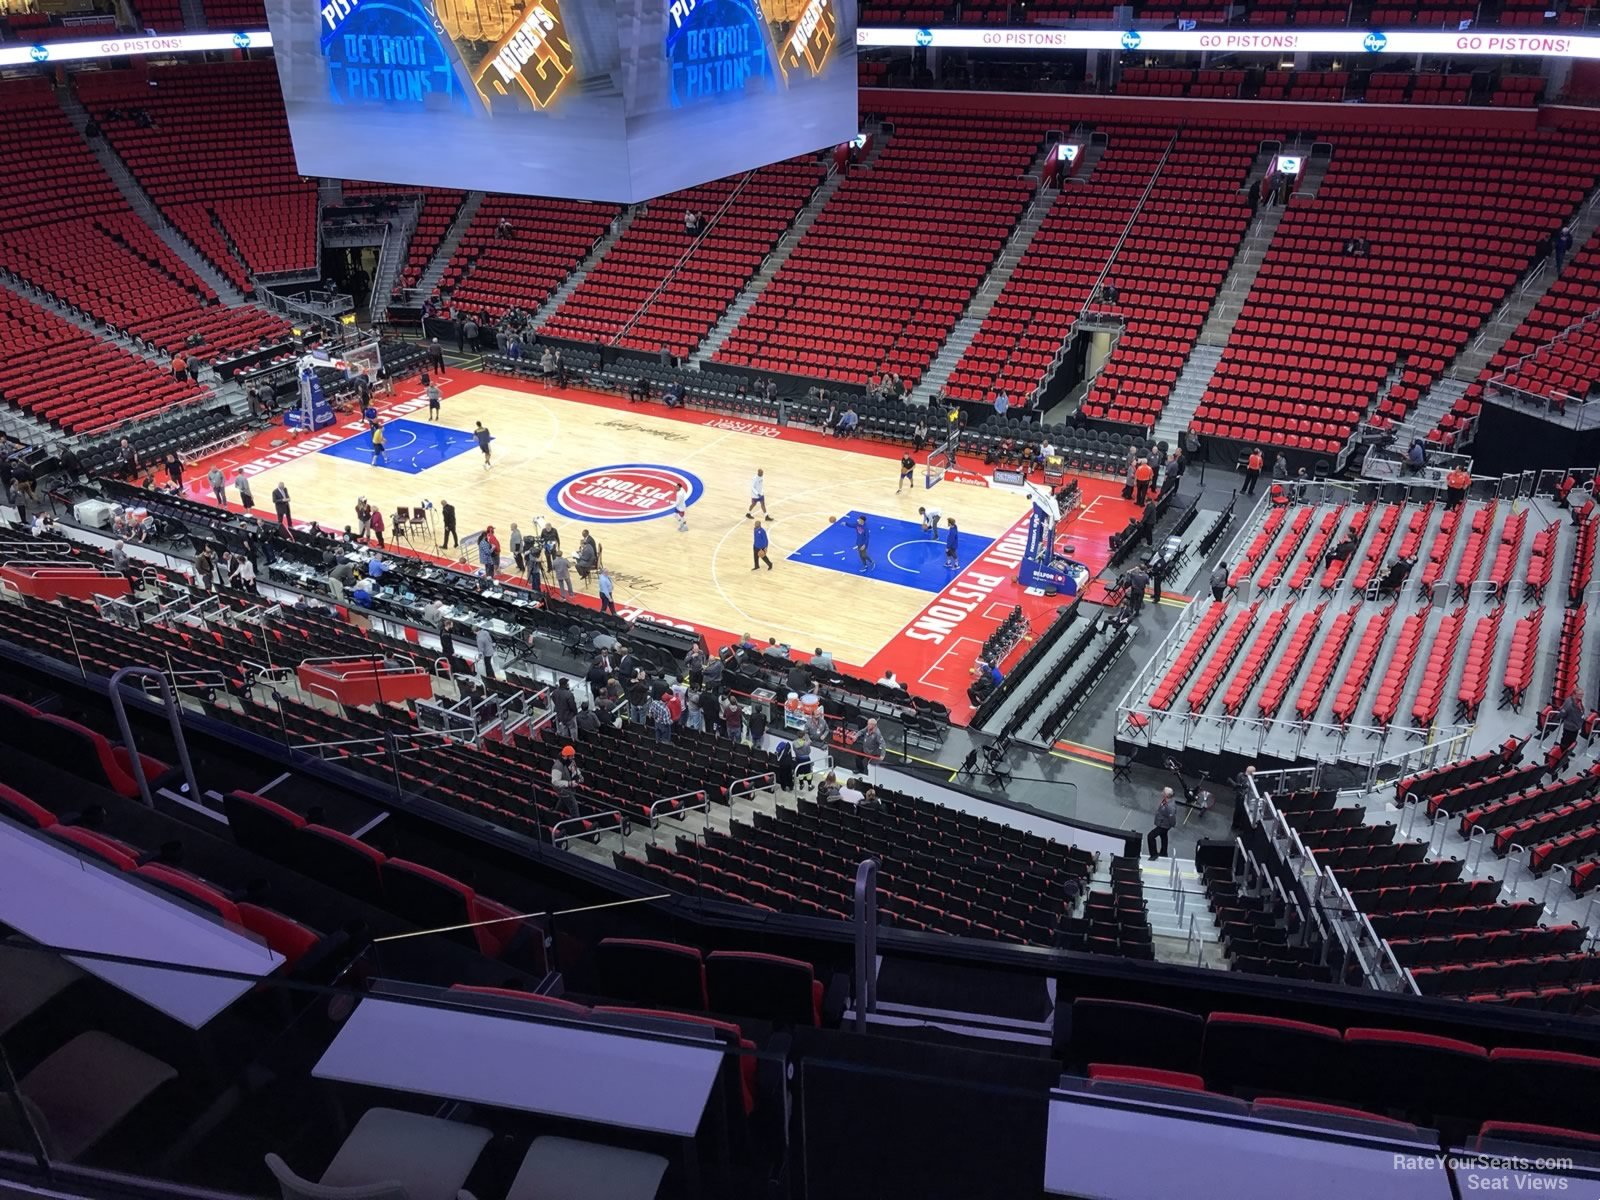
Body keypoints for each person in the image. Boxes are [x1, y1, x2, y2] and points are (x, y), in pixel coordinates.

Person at [550, 745, 583, 817]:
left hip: (569, 788)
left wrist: (579, 775)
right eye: (572, 756)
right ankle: (577, 822)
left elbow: (574, 769)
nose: (573, 757)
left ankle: (554, 815)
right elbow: (555, 782)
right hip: (564, 790)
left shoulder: (569, 761)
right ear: (566, 756)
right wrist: (569, 783)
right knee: (574, 807)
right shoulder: (557, 767)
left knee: (562, 801)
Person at [1148, 788, 1177, 861]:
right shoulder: (1166, 801)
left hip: (1164, 825)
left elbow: (1172, 817)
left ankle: (1153, 854)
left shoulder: (1170, 806)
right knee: (1163, 836)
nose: (1162, 793)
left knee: (1150, 836)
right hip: (1162, 823)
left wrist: (1172, 824)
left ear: (1166, 795)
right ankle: (1164, 853)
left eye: (1163, 792)